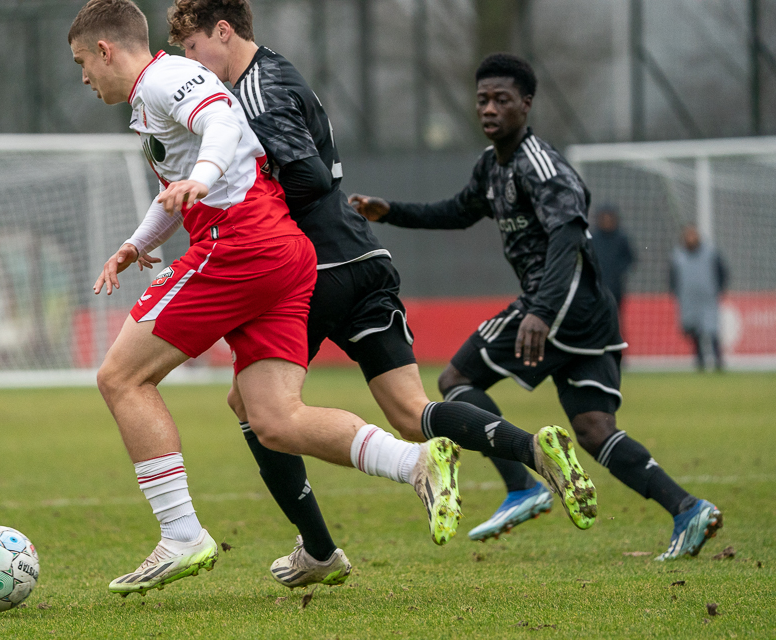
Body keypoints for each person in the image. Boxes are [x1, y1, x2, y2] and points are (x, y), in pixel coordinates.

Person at [166, 0, 599, 572]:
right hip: (363, 254)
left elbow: (309, 176)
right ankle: (532, 450)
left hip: (312, 264)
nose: (192, 66)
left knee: (253, 405)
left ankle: (318, 549)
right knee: (410, 409)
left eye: (193, 49)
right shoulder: (281, 69)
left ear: (223, 32)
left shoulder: (252, 92)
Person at [68, 0, 465, 596]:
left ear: (106, 50)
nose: (83, 78)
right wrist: (134, 244)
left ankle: (181, 534)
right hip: (281, 251)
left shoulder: (165, 78)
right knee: (275, 420)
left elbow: (221, 128)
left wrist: (201, 177)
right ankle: (417, 463)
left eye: (81, 63)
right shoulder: (157, 93)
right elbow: (184, 181)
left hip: (240, 247)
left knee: (119, 378)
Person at [350, 53, 723, 561]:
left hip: (562, 302)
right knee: (594, 429)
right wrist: (391, 212)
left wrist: (541, 311)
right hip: (585, 313)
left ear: (526, 105)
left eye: (502, 100)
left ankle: (523, 485)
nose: (489, 108)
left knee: (456, 379)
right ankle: (687, 509)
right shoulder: (491, 165)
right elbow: (458, 212)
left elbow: (569, 232)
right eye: (483, 99)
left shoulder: (538, 163)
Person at [670, 225, 727, 372]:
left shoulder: (710, 253)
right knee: (694, 330)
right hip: (688, 299)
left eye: (693, 235)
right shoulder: (678, 257)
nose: (691, 238)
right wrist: (676, 293)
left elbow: (721, 272)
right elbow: (672, 278)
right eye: (688, 235)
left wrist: (719, 289)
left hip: (707, 298)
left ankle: (718, 361)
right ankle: (699, 361)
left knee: (712, 330)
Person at [591, 205, 633, 319]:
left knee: (615, 315)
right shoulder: (592, 239)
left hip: (615, 287)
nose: (607, 221)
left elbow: (630, 258)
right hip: (595, 287)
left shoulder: (621, 238)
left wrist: (618, 270)